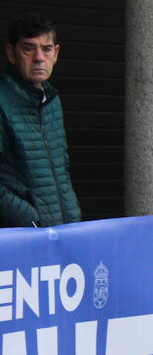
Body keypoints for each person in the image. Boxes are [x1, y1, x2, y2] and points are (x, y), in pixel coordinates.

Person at [0, 13, 81, 227]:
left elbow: (61, 166)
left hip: (61, 229)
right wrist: (32, 219)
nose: (38, 58)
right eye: (28, 48)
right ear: (11, 52)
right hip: (22, 238)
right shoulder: (2, 102)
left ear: (55, 54)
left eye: (46, 49)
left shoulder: (52, 101)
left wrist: (72, 214)